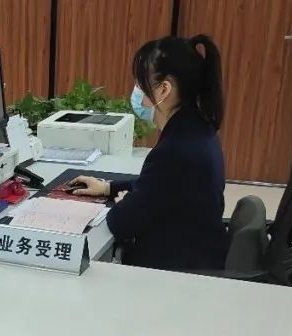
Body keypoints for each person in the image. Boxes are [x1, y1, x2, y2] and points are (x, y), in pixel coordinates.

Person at [73, 35, 229, 271]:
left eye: (141, 84)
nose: (137, 91)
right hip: (201, 251)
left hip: (180, 269)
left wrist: (125, 203)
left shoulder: (175, 150)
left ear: (164, 89)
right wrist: (108, 188)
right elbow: (159, 185)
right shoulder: (197, 128)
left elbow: (122, 222)